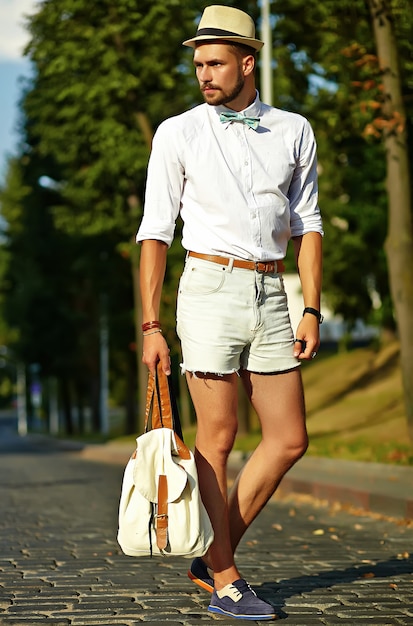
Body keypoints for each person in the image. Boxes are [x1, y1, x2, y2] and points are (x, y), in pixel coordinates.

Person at [137, 5, 323, 620]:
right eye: (198, 65)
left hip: (273, 292)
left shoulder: (294, 129)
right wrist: (152, 325)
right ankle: (224, 576)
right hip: (209, 288)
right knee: (218, 435)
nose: (204, 75)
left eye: (215, 63)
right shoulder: (178, 132)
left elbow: (308, 225)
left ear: (249, 61)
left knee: (289, 438)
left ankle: (210, 551)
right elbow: (155, 232)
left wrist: (311, 307)